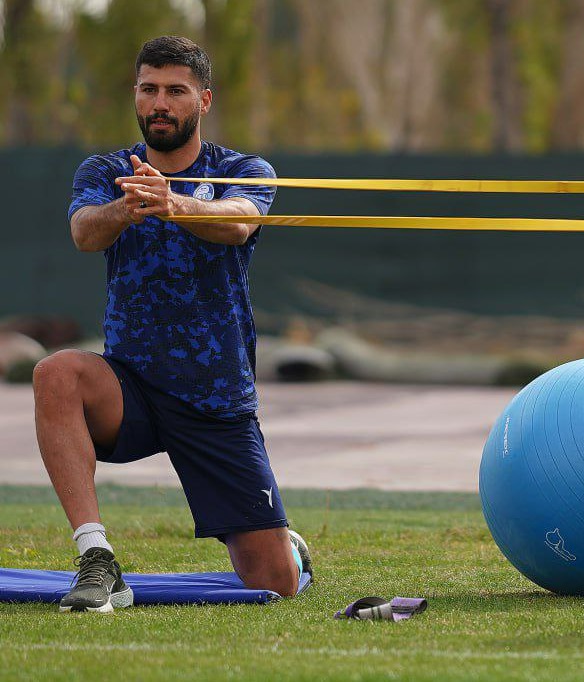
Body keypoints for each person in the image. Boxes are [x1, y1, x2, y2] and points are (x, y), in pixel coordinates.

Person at [39, 35, 311, 613]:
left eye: (175, 91)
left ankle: (286, 544)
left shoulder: (245, 168)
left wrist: (175, 204)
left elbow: (238, 222)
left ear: (204, 100)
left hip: (216, 399)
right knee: (56, 372)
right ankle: (96, 557)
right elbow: (85, 232)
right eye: (149, 89)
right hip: (130, 387)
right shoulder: (107, 169)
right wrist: (126, 206)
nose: (160, 102)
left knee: (274, 583)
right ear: (136, 96)